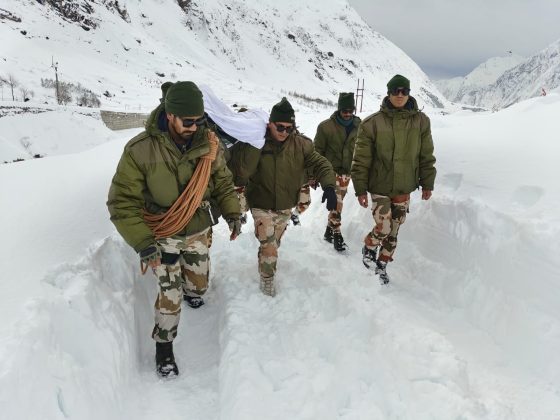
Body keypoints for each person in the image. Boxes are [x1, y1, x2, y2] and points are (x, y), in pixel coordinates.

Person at [107, 81, 241, 377]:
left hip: (198, 229)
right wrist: (143, 242)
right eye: (188, 121)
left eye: (200, 120)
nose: (195, 127)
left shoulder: (209, 144)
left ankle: (195, 290)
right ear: (170, 116)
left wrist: (232, 212)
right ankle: (164, 347)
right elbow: (121, 201)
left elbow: (221, 181)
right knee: (170, 291)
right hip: (163, 232)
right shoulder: (140, 151)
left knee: (199, 284)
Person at [245, 97, 337, 297]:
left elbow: (320, 164)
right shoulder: (257, 142)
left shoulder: (302, 145)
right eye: (280, 127)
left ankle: (265, 255)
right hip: (261, 203)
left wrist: (329, 185)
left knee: (273, 243)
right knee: (269, 246)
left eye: (289, 127)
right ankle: (267, 279)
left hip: (286, 205)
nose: (284, 132)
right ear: (270, 123)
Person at [351, 75, 436, 284]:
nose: (400, 95)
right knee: (385, 227)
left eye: (404, 91)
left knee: (395, 229)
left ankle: (382, 263)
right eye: (396, 91)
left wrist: (427, 183)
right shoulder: (372, 123)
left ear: (409, 93)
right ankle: (369, 246)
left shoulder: (421, 122)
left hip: (404, 185)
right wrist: (360, 189)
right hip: (379, 185)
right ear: (389, 93)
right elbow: (360, 160)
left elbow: (426, 155)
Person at [314, 92, 361, 251]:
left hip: (347, 173)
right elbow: (316, 152)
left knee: (337, 205)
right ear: (339, 109)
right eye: (344, 111)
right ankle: (337, 235)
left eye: (350, 110)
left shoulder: (359, 126)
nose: (347, 114)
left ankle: (328, 231)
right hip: (329, 172)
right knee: (336, 202)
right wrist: (314, 174)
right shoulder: (325, 127)